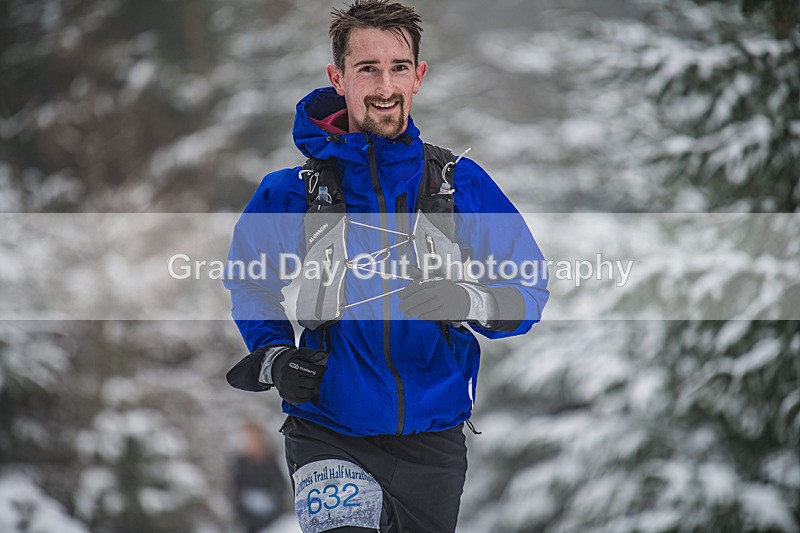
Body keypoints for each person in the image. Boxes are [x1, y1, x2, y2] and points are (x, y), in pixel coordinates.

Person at [224, 1, 549, 531]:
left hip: (433, 442)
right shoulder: (292, 192)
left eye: (399, 67)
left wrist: (467, 299)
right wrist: (275, 355)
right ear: (338, 78)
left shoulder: (458, 183)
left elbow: (529, 288)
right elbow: (249, 280)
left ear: (418, 76)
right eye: (367, 68)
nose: (384, 86)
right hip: (327, 430)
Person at [230, 420, 289, 533]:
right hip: (249, 523)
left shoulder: (271, 461)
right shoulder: (240, 464)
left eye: (253, 439)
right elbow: (234, 492)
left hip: (275, 521)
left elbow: (281, 487)